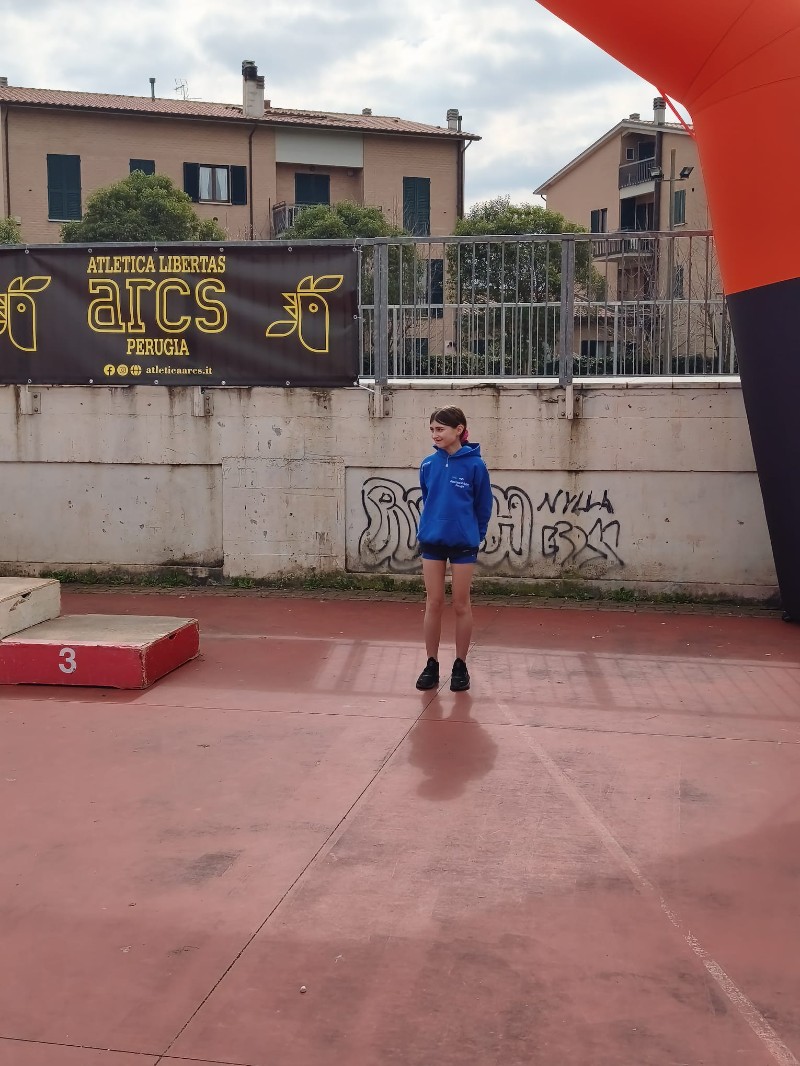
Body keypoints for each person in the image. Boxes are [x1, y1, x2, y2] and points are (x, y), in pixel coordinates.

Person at [415, 406, 493, 692]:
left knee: (461, 604)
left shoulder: (476, 466)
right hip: (432, 542)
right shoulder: (427, 465)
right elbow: (429, 499)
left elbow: (483, 506)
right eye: (432, 429)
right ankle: (431, 664)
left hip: (463, 545)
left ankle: (460, 665)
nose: (435, 434)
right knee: (433, 602)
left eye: (440, 429)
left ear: (459, 430)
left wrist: (473, 535)